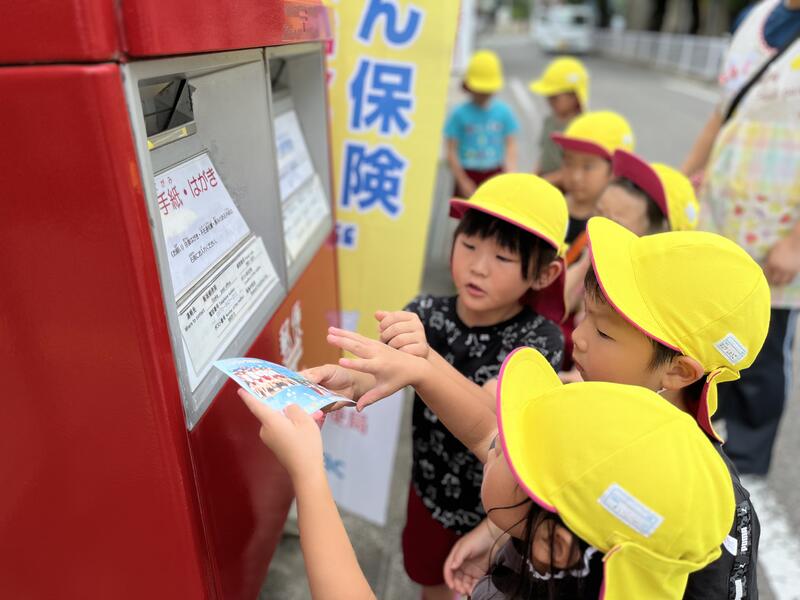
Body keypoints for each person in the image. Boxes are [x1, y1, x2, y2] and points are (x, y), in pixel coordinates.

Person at [320, 216, 770, 598]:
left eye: (605, 332)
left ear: (680, 371)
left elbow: (495, 440)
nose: (580, 339)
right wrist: (421, 367)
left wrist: (310, 475)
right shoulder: (617, 418)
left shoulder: (661, 486)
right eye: (585, 317)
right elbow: (495, 436)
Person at [307, 339, 734, 598]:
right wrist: (421, 369)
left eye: (509, 451)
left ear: (551, 544)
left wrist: (308, 474)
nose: (495, 443)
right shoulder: (572, 565)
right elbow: (483, 431)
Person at [387, 174, 570, 600]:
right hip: (429, 491)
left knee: (480, 588)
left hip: (499, 513)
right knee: (431, 580)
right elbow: (378, 366)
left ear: (545, 274)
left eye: (503, 257)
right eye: (469, 245)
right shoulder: (425, 312)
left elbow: (492, 409)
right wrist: (339, 382)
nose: (479, 266)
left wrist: (423, 360)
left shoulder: (540, 340)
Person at [682, 0, 800, 475]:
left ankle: (748, 466)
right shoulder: (754, 18)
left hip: (780, 232)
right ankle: (710, 432)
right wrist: (684, 175)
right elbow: (723, 111)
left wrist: (795, 243)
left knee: (764, 350)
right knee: (714, 334)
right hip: (721, 217)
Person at [445, 50, 519, 199]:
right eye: (480, 89)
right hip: (467, 173)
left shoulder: (504, 112)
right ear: (468, 86)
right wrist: (462, 180)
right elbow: (451, 150)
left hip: (495, 173)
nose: (484, 94)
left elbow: (510, 144)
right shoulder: (459, 114)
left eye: (488, 90)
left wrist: (510, 173)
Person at [528, 56, 589, 188]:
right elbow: (544, 154)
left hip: (566, 188)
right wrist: (533, 178)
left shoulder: (582, 128)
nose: (549, 101)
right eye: (548, 96)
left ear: (575, 96)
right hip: (545, 182)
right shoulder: (549, 121)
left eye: (555, 97)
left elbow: (575, 168)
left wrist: (543, 182)